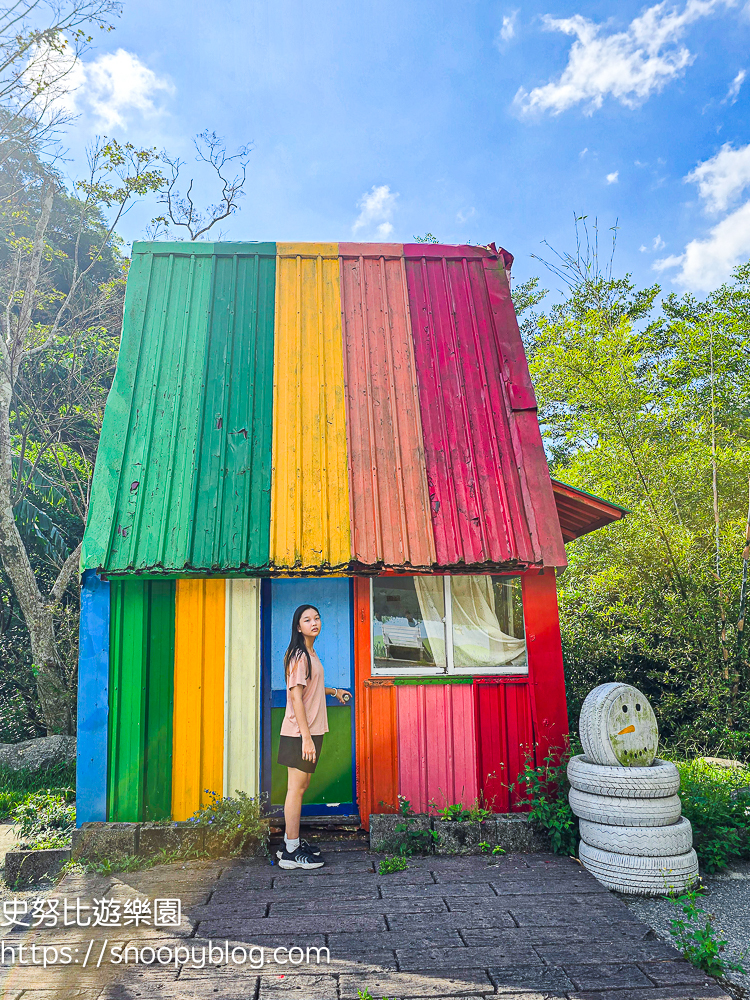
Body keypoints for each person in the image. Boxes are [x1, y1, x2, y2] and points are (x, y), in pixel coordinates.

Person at [276, 604, 350, 870]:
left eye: (316, 618)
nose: (314, 622)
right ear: (298, 626)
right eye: (307, 619)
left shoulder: (310, 652)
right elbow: (295, 696)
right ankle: (290, 851)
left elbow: (311, 686)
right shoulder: (298, 655)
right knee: (295, 789)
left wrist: (334, 692)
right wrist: (306, 738)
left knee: (301, 786)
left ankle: (291, 842)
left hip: (311, 730)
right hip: (299, 732)